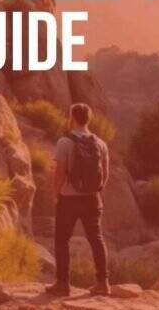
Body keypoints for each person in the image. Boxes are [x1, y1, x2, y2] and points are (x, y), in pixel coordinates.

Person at [46, 102, 111, 297]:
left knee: (62, 240)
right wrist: (96, 190)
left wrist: (56, 193)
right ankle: (103, 284)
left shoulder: (65, 142)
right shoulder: (100, 143)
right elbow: (105, 173)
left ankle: (63, 284)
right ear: (89, 119)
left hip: (69, 200)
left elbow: (60, 172)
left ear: (72, 118)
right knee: (96, 239)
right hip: (92, 199)